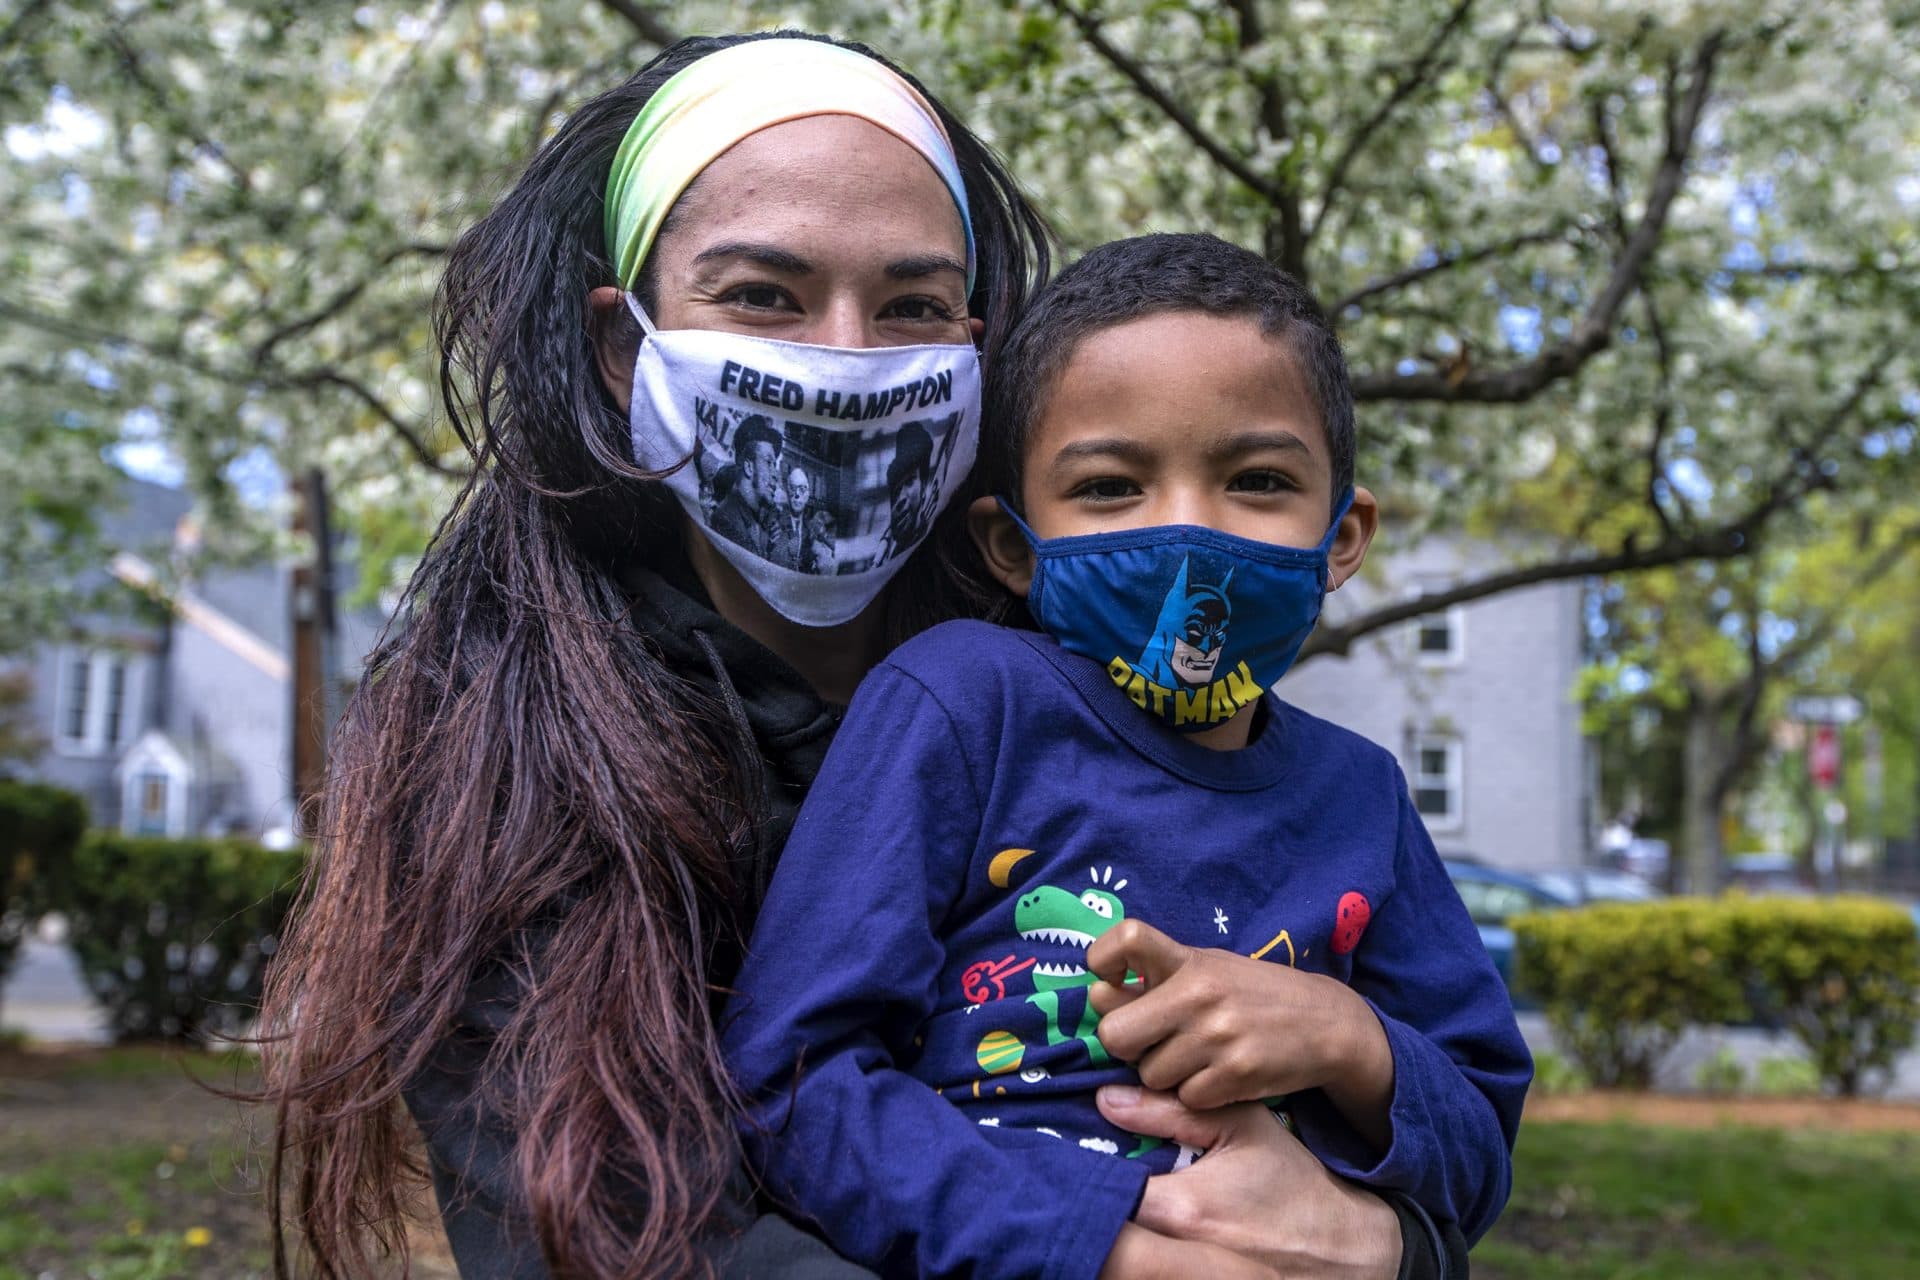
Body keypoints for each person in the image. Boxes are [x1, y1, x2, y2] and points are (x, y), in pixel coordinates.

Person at [259, 29, 1462, 1280]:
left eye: (912, 306)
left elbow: (1398, 1078)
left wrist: (1384, 1247)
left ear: (975, 350)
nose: (844, 356)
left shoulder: (1090, 662)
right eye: (765, 295)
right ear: (628, 351)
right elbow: (612, 1237)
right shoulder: (500, 752)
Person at [723, 234, 1531, 1278]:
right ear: (1012, 545)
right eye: (1110, 488)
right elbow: (789, 1080)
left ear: (1344, 535)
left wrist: (1346, 1035)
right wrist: (1098, 1240)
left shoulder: (1363, 794)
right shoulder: (963, 703)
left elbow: (1476, 1147)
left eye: (1256, 478)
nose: (1188, 529)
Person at [708, 414, 787, 560]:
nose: (776, 475)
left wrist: (769, 546)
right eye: (769, 463)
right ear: (749, 467)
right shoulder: (727, 521)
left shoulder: (758, 522)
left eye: (774, 465)